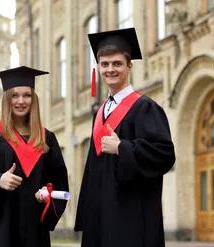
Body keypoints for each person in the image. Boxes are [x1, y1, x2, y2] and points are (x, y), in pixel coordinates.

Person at [74, 27, 176, 247]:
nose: (110, 69)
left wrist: (124, 147)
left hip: (132, 215)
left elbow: (165, 154)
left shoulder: (145, 107)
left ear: (129, 66)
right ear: (99, 68)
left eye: (117, 63)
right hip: (101, 214)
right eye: (105, 64)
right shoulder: (100, 113)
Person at [0, 66, 69, 247]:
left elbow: (57, 180)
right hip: (0, 227)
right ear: (7, 99)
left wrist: (47, 194)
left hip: (35, 229)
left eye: (27, 95)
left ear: (34, 99)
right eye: (14, 95)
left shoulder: (46, 138)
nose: (21, 101)